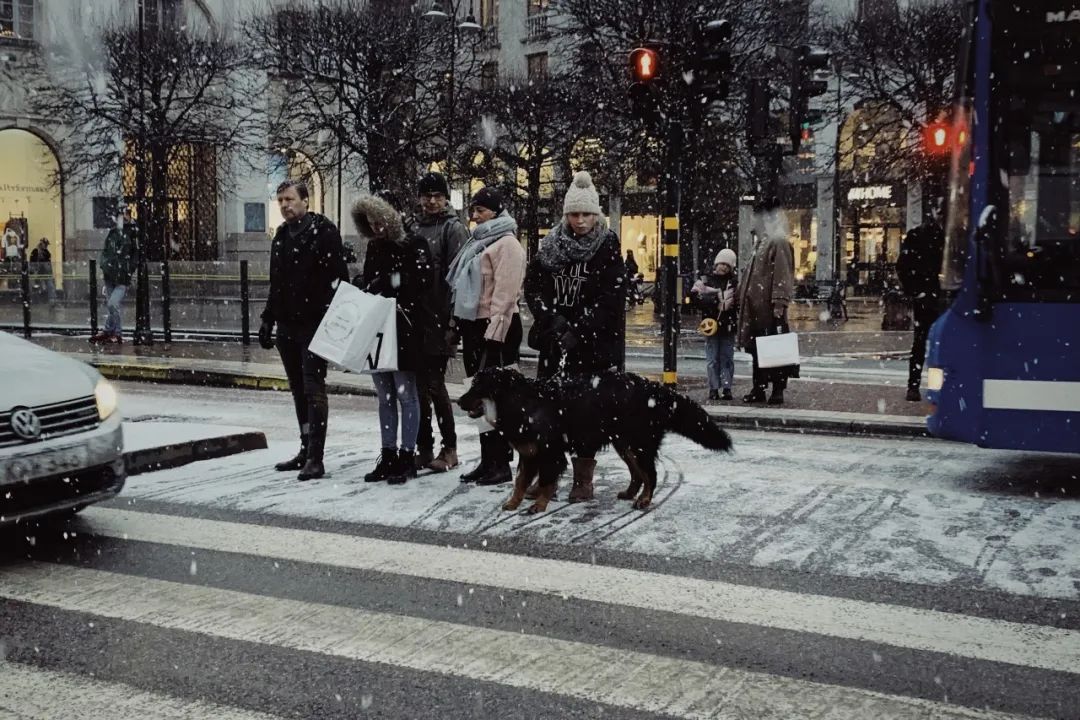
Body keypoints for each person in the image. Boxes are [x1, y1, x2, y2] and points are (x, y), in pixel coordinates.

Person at [524, 171, 624, 502]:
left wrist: (578, 328)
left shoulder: (607, 246)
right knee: (548, 414)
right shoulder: (550, 246)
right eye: (574, 214)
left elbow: (611, 298)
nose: (580, 221)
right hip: (555, 343)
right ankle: (548, 475)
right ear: (565, 214)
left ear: (596, 215)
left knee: (586, 415)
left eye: (586, 214)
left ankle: (583, 480)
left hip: (592, 346)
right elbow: (533, 287)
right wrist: (551, 319)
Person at [259, 180, 349, 481]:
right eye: (280, 200)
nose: (285, 205)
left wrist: (328, 318)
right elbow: (277, 282)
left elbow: (338, 279)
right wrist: (268, 318)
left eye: (290, 199)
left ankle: (316, 456)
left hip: (314, 324)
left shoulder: (323, 233)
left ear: (305, 201)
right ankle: (304, 445)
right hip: (287, 324)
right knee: (298, 389)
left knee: (313, 389)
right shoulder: (282, 236)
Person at [446, 187, 526, 486]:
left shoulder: (508, 244)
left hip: (498, 328)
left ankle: (502, 462)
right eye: (474, 210)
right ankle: (488, 459)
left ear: (495, 211)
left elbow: (505, 295)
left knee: (500, 399)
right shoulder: (478, 241)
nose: (475, 216)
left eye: (481, 210)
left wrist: (494, 337)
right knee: (479, 396)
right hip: (475, 325)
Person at [352, 192, 433, 485]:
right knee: (385, 394)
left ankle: (406, 454)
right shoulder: (376, 247)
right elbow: (373, 278)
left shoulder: (413, 243)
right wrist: (364, 283)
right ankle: (389, 454)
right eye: (370, 222)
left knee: (404, 393)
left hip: (403, 327)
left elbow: (422, 281)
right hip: (380, 326)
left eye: (379, 219)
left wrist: (390, 282)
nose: (376, 227)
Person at [413, 172, 468, 472]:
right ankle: (424, 446)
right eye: (427, 196)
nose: (432, 202)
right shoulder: (414, 226)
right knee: (418, 387)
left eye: (437, 196)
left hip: (438, 317)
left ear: (446, 198)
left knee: (435, 385)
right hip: (416, 318)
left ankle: (450, 447)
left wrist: (452, 323)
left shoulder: (452, 228)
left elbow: (459, 278)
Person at [736, 207, 797, 405]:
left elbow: (782, 274)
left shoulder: (777, 242)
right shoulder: (762, 243)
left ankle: (776, 390)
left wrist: (779, 302)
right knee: (757, 351)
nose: (752, 224)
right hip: (756, 310)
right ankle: (760, 388)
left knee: (775, 350)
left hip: (768, 310)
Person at [897, 215, 945, 402]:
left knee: (921, 343)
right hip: (937, 295)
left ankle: (915, 386)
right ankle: (933, 386)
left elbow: (902, 266)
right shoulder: (945, 236)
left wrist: (914, 290)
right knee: (935, 345)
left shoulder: (917, 236)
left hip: (927, 296)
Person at [691, 248, 738, 401]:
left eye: (727, 265)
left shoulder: (734, 283)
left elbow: (738, 303)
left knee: (727, 358)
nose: (723, 267)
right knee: (712, 359)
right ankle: (713, 388)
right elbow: (694, 299)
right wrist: (714, 301)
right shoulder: (705, 281)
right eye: (721, 263)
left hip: (728, 326)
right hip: (710, 325)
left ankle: (726, 388)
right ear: (716, 264)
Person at [92, 210, 138, 344]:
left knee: (113, 304)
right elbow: (106, 251)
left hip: (122, 274)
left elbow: (135, 254)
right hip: (111, 273)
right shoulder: (113, 233)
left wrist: (129, 268)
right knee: (112, 305)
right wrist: (105, 265)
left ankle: (115, 332)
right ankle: (110, 331)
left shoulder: (132, 233)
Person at [30, 238, 57, 305]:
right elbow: (32, 262)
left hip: (45, 273)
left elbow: (48, 263)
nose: (46, 246)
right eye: (46, 244)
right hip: (37, 273)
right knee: (36, 286)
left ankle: (51, 300)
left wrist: (50, 273)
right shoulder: (35, 251)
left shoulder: (47, 253)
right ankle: (36, 300)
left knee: (50, 285)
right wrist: (34, 270)